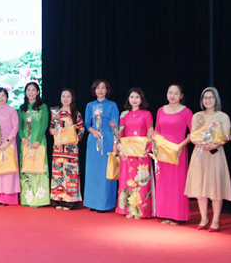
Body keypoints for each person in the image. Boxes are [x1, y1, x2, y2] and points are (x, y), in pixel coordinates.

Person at [185, 87, 231, 232]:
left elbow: (225, 136)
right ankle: (204, 218)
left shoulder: (222, 116)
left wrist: (214, 145)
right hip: (199, 154)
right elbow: (192, 134)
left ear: (216, 99)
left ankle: (216, 220)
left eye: (210, 97)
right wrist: (197, 142)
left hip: (215, 154)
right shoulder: (197, 115)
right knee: (199, 187)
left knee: (215, 187)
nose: (207, 100)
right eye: (205, 97)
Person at [154, 84, 192, 225]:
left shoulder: (186, 112)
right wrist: (157, 142)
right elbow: (157, 130)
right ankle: (164, 214)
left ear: (181, 96)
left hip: (178, 152)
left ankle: (177, 216)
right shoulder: (160, 110)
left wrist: (180, 146)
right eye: (170, 92)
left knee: (177, 183)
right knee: (163, 183)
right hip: (163, 153)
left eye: (176, 93)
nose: (172, 96)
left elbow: (192, 133)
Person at [114, 88, 154, 219]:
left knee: (141, 180)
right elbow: (120, 133)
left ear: (141, 99)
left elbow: (151, 133)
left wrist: (149, 148)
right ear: (128, 99)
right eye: (132, 97)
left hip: (142, 152)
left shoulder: (147, 114)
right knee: (128, 180)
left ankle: (141, 210)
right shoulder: (124, 115)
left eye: (137, 97)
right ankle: (129, 208)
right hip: (128, 152)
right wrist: (120, 147)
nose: (134, 100)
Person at [84, 79, 119, 212]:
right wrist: (93, 131)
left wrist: (116, 143)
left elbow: (115, 125)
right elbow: (87, 123)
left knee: (106, 171)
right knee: (93, 172)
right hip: (93, 140)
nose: (100, 90)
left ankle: (105, 203)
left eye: (103, 88)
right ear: (94, 90)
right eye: (98, 88)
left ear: (107, 90)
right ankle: (92, 202)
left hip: (108, 139)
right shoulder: (90, 106)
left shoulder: (112, 105)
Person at [49, 88, 85, 210]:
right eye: (63, 96)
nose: (65, 99)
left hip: (71, 149)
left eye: (68, 96)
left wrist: (75, 138)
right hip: (58, 148)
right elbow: (51, 128)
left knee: (70, 174)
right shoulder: (56, 113)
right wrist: (52, 131)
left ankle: (70, 201)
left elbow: (82, 129)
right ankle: (58, 199)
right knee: (58, 173)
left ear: (72, 98)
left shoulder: (76, 113)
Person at [18, 82, 50, 207]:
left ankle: (40, 199)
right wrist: (23, 138)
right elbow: (20, 127)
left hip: (39, 142)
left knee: (40, 167)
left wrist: (38, 140)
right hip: (26, 144)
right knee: (27, 167)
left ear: (37, 92)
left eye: (33, 90)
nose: (30, 92)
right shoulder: (22, 108)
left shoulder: (43, 107)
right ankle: (27, 198)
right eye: (28, 90)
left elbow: (44, 124)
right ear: (25, 92)